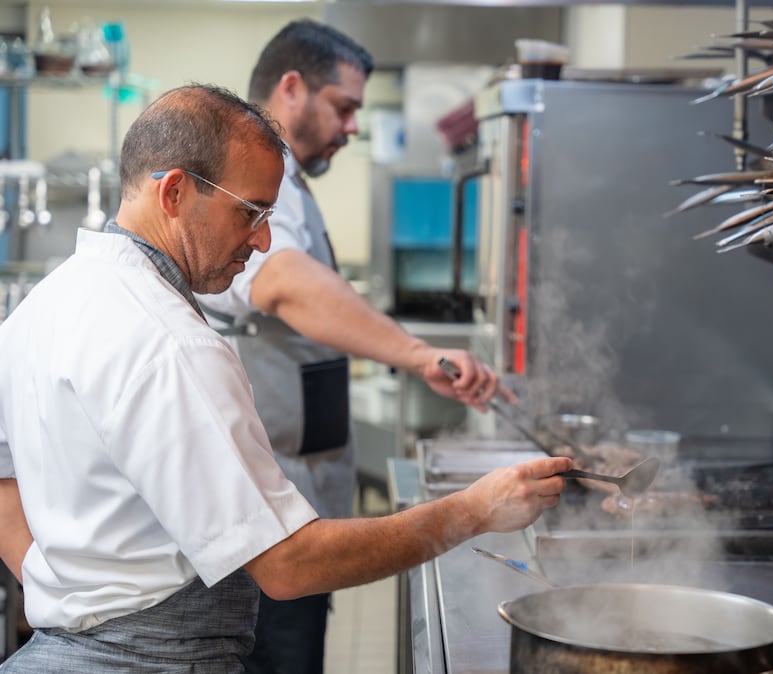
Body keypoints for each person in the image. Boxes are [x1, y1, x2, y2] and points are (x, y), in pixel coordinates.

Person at [0, 83, 571, 672]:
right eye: (249, 212)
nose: (264, 238)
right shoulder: (175, 345)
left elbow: (2, 477)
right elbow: (289, 566)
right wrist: (475, 509)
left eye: (269, 213)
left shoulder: (41, 307)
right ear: (174, 192)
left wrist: (67, 597)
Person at [196, 20, 516, 674]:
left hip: (298, 505)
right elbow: (284, 283)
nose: (351, 127)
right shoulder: (253, 184)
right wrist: (419, 354)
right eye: (344, 107)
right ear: (292, 88)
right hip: (265, 521)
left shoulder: (287, 185)